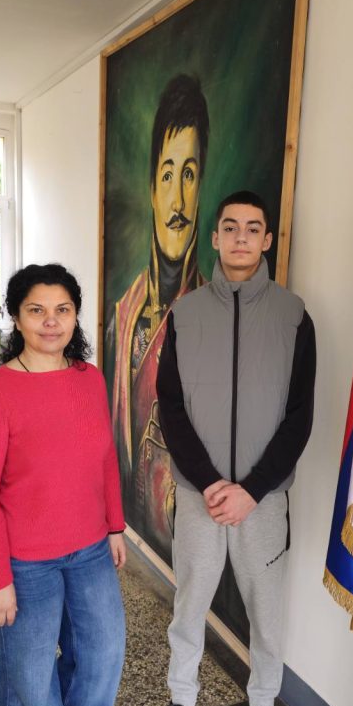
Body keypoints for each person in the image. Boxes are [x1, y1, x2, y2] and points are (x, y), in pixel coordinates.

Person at [144, 191, 316, 706]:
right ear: (215, 237)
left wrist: (252, 489)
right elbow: (170, 406)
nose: (241, 237)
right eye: (231, 227)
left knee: (267, 612)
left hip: (263, 501)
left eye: (253, 228)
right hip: (200, 497)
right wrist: (212, 482)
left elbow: (300, 416)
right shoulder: (185, 315)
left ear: (267, 239)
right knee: (189, 605)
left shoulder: (294, 316)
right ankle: (181, 705)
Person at [0, 263, 126, 706]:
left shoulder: (89, 378)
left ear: (75, 316)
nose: (50, 322)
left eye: (62, 310)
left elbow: (105, 458)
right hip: (22, 562)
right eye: (37, 310)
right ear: (17, 317)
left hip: (90, 550)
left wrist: (115, 525)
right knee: (30, 678)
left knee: (102, 658)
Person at [109, 74, 209, 550]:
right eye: (168, 175)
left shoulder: (210, 316)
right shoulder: (123, 314)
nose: (178, 201)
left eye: (189, 174)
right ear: (152, 188)